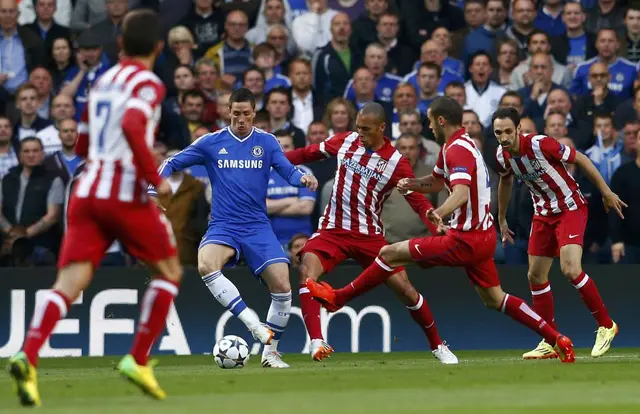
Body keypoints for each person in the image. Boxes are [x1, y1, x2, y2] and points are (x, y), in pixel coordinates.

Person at [305, 97, 577, 364]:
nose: (429, 127)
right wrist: (412, 183)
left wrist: (439, 213)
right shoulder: (461, 145)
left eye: (431, 122)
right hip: (483, 237)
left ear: (441, 120)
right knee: (496, 298)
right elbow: (436, 182)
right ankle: (557, 338)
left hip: (463, 239)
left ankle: (340, 297)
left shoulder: (455, 149)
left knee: (389, 253)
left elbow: (458, 193)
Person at [7, 10, 183, 406]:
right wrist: (157, 180)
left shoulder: (103, 80)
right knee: (170, 272)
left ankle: (28, 355)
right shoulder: (148, 83)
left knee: (69, 282)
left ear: (120, 44)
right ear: (158, 47)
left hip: (86, 190)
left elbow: (83, 142)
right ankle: (138, 359)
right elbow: (133, 126)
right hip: (121, 192)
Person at [150, 87, 318, 369]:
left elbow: (287, 170)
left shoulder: (267, 142)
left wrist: (302, 178)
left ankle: (270, 353)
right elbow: (170, 162)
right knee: (206, 265)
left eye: (246, 114)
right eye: (236, 113)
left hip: (257, 225)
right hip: (223, 225)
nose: (241, 118)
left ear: (254, 114)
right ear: (228, 112)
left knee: (282, 285)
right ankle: (252, 323)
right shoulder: (211, 142)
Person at [285, 102, 458, 364]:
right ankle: (317, 341)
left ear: (382, 128)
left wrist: (436, 224)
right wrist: (272, 160)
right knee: (307, 273)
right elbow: (307, 153)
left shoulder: (397, 163)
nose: (360, 134)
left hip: (370, 237)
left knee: (407, 291)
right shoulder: (346, 141)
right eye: (358, 128)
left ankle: (438, 346)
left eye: (366, 129)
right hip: (333, 230)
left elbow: (418, 202)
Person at [494, 107, 624, 359]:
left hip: (569, 207)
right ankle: (550, 338)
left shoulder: (541, 144)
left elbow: (581, 159)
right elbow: (506, 181)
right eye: (499, 133)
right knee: (535, 275)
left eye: (509, 131)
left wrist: (606, 192)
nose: (504, 137)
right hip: (542, 214)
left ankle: (607, 325)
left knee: (570, 269)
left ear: (519, 129)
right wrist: (500, 217)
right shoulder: (503, 156)